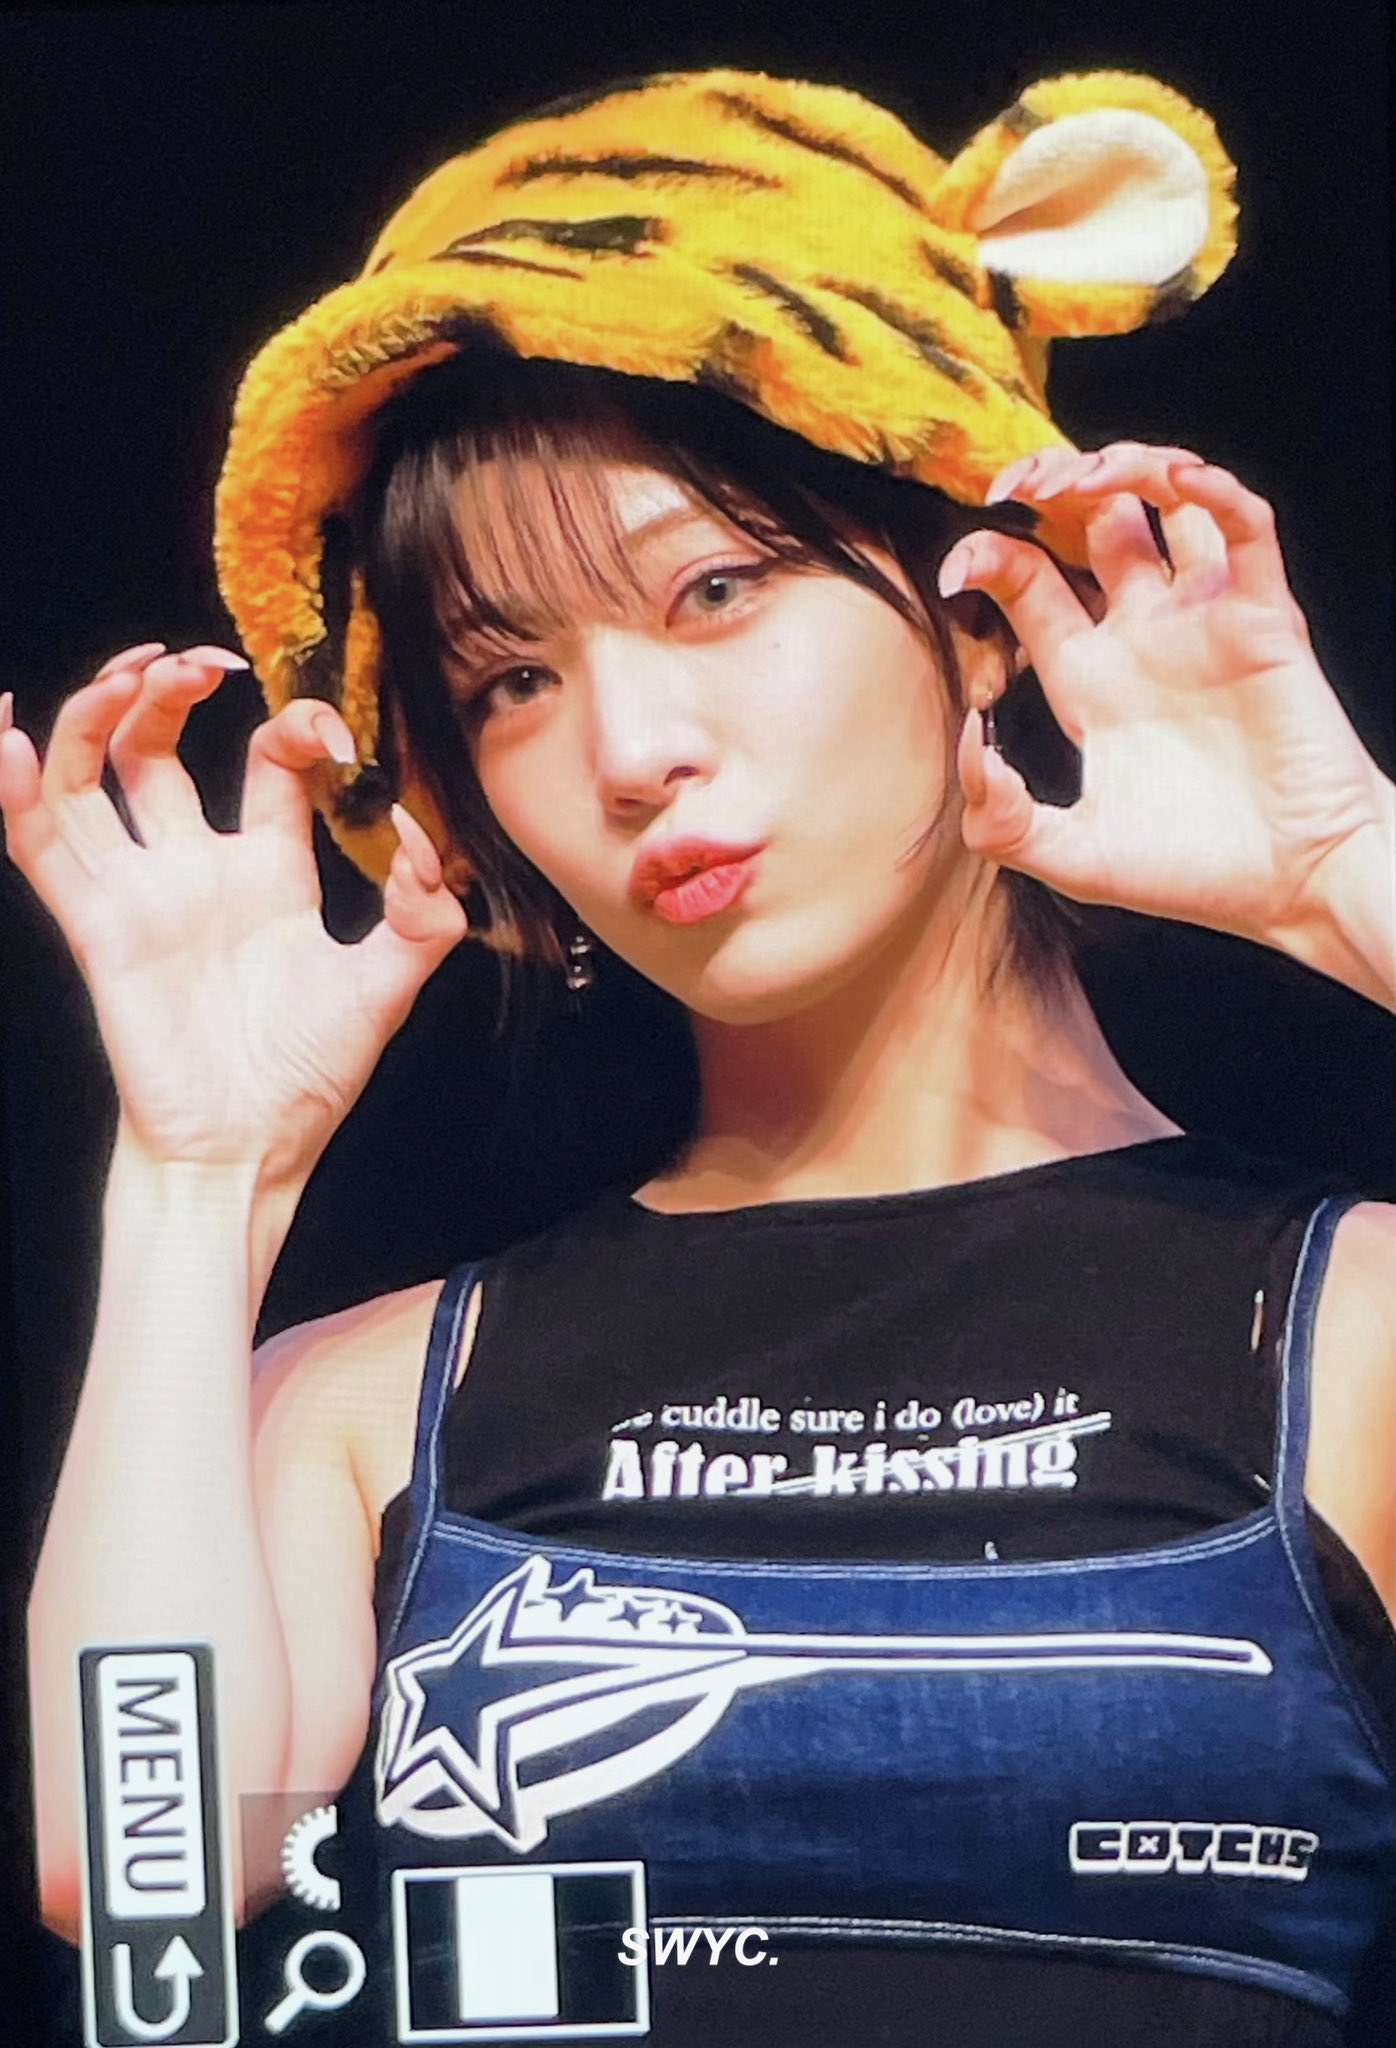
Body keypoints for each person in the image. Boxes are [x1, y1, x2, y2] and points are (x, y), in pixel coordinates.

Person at [10, 62, 1395, 2048]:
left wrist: (1345, 881)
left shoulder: (1343, 1332)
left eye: (715, 589)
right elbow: (141, 1896)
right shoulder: (369, 1402)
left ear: (973, 606)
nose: (628, 748)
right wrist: (194, 1175)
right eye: (509, 679)